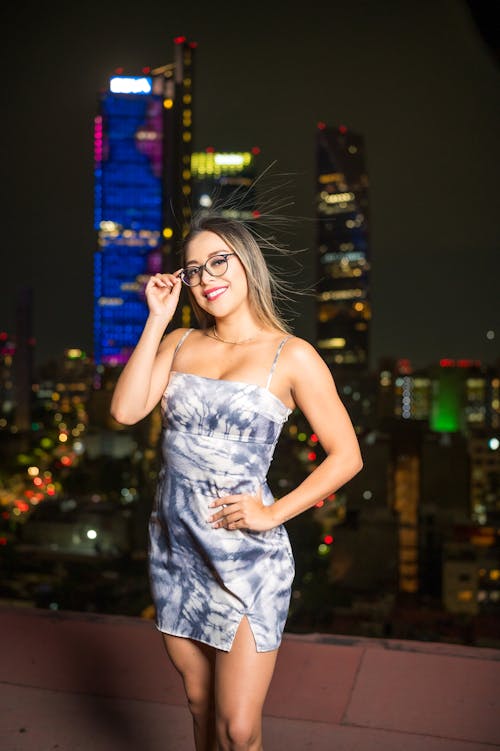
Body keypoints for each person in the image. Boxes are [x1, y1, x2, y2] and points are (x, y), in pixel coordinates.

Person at [110, 214, 363, 751]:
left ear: (248, 264)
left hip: (247, 558)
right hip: (178, 549)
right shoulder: (179, 341)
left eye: (219, 261)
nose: (206, 277)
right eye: (194, 269)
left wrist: (272, 514)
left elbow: (347, 457)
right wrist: (156, 319)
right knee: (201, 706)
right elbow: (127, 411)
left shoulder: (291, 355)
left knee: (238, 728)